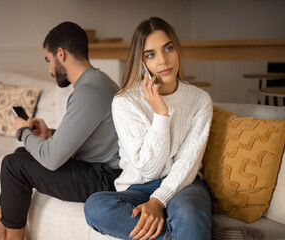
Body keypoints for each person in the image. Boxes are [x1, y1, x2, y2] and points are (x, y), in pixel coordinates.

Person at [0, 21, 121, 240]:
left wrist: (23, 132)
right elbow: (89, 135)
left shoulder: (87, 92)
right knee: (21, 155)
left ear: (61, 54)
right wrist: (49, 134)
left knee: (13, 164)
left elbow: (52, 160)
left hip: (103, 178)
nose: (49, 69)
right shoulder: (98, 82)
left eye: (48, 60)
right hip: (100, 170)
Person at [84, 17, 213, 240]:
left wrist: (158, 201)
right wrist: (161, 114)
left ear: (177, 50)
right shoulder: (125, 102)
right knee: (95, 206)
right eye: (151, 54)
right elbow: (149, 169)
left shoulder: (200, 100)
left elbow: (188, 162)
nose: (163, 61)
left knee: (188, 213)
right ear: (141, 62)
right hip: (139, 186)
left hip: (185, 183)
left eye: (168, 49)